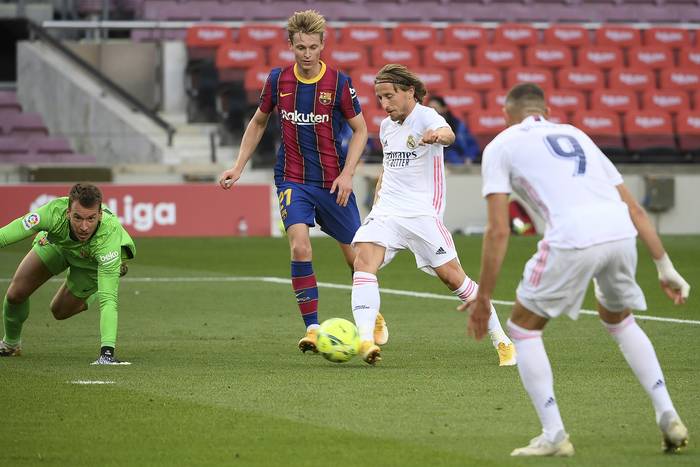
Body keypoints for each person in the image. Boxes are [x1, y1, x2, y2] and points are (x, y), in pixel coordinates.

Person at [467, 83, 691, 456]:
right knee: (620, 320)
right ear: (547, 111)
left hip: (572, 236)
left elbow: (498, 229)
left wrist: (483, 297)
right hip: (620, 231)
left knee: (523, 328)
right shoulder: (576, 134)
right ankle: (667, 412)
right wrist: (664, 266)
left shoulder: (501, 145)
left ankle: (554, 435)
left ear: (507, 115)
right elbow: (635, 208)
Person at [218, 10, 388, 353]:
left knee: (356, 260)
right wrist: (238, 166)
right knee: (300, 246)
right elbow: (258, 122)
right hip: (292, 179)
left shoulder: (339, 83)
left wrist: (347, 174)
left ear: (323, 45)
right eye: (300, 47)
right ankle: (312, 328)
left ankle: (373, 314)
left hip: (332, 182)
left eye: (312, 47)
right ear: (291, 47)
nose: (307, 54)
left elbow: (361, 130)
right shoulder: (278, 81)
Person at [350, 64, 516, 366]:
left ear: (409, 92)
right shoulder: (387, 127)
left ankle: (502, 340)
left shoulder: (426, 117)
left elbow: (448, 134)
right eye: (380, 98)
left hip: (421, 214)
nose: (385, 105)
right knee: (362, 261)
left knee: (455, 279)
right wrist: (376, 206)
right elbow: (389, 170)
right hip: (387, 212)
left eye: (389, 96)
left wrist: (436, 136)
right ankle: (365, 339)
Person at [0, 183, 135, 365]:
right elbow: (11, 233)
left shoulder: (109, 236)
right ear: (68, 213)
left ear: (100, 215)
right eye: (78, 218)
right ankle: (10, 345)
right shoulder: (52, 212)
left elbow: (109, 300)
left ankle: (96, 286)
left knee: (59, 311)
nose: (84, 227)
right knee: (16, 294)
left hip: (91, 263)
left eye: (91, 219)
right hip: (60, 246)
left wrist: (107, 353)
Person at [426, 95, 479, 164]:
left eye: (435, 108)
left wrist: (469, 157)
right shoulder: (423, 125)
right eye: (429, 109)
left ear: (444, 108)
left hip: (456, 158)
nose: (432, 112)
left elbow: (471, 145)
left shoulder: (458, 125)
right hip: (431, 158)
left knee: (451, 154)